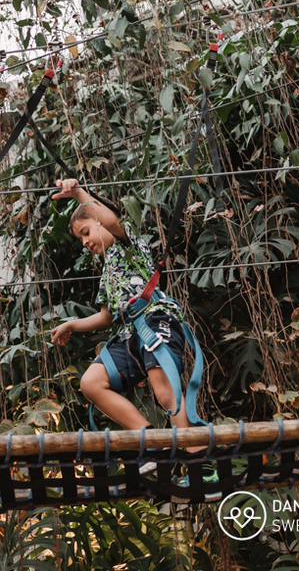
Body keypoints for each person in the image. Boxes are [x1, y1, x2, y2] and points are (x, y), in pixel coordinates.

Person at [49, 177, 205, 438]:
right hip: (130, 335)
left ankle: (198, 455)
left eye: (86, 232)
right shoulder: (107, 272)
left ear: (100, 220)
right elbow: (105, 317)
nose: (85, 242)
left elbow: (111, 221)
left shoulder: (128, 243)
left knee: (166, 392)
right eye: (80, 239)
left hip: (155, 321)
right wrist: (71, 325)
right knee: (91, 383)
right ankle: (150, 440)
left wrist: (79, 194)